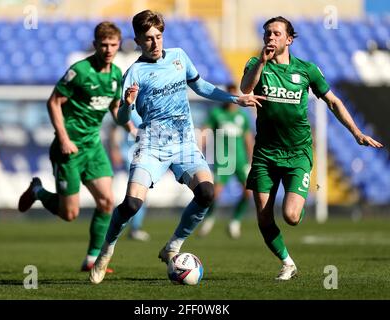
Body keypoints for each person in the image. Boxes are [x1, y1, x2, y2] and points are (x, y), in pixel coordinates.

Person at [89, 10, 265, 284]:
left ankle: (173, 245)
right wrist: (127, 104)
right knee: (132, 203)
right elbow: (121, 118)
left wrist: (235, 98)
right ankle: (106, 251)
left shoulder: (179, 57)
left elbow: (202, 87)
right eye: (148, 39)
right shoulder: (135, 72)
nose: (155, 43)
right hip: (151, 145)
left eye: (158, 36)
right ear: (137, 40)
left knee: (207, 193)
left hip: (184, 144)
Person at [240, 16, 383, 280]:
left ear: (289, 39)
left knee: (292, 216)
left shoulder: (307, 70)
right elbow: (245, 89)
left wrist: (356, 132)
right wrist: (261, 61)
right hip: (265, 154)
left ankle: (299, 201)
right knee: (263, 216)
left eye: (276, 34)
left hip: (297, 153)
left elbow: (333, 102)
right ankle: (287, 263)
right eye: (267, 33)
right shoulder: (255, 64)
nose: (270, 38)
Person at [18, 22, 136, 272]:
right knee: (69, 213)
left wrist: (132, 128)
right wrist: (63, 137)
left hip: (93, 147)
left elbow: (115, 109)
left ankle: (92, 259)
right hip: (68, 149)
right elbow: (54, 102)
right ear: (95, 45)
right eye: (103, 44)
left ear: (118, 46)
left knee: (107, 201)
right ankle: (38, 190)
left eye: (113, 45)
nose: (108, 49)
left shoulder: (116, 75)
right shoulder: (79, 71)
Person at [198, 83, 254, 239]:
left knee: (248, 192)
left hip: (240, 160)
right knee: (215, 194)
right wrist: (199, 147)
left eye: (233, 94)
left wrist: (251, 158)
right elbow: (205, 131)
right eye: (229, 94)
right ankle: (209, 219)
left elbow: (248, 138)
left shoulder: (242, 116)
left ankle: (235, 222)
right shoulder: (217, 113)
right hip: (223, 160)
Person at [109, 111, 151, 241]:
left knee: (140, 193)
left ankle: (132, 227)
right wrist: (114, 149)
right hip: (129, 155)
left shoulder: (149, 108)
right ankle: (133, 228)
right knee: (138, 193)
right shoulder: (131, 110)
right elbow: (114, 127)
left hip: (144, 155)